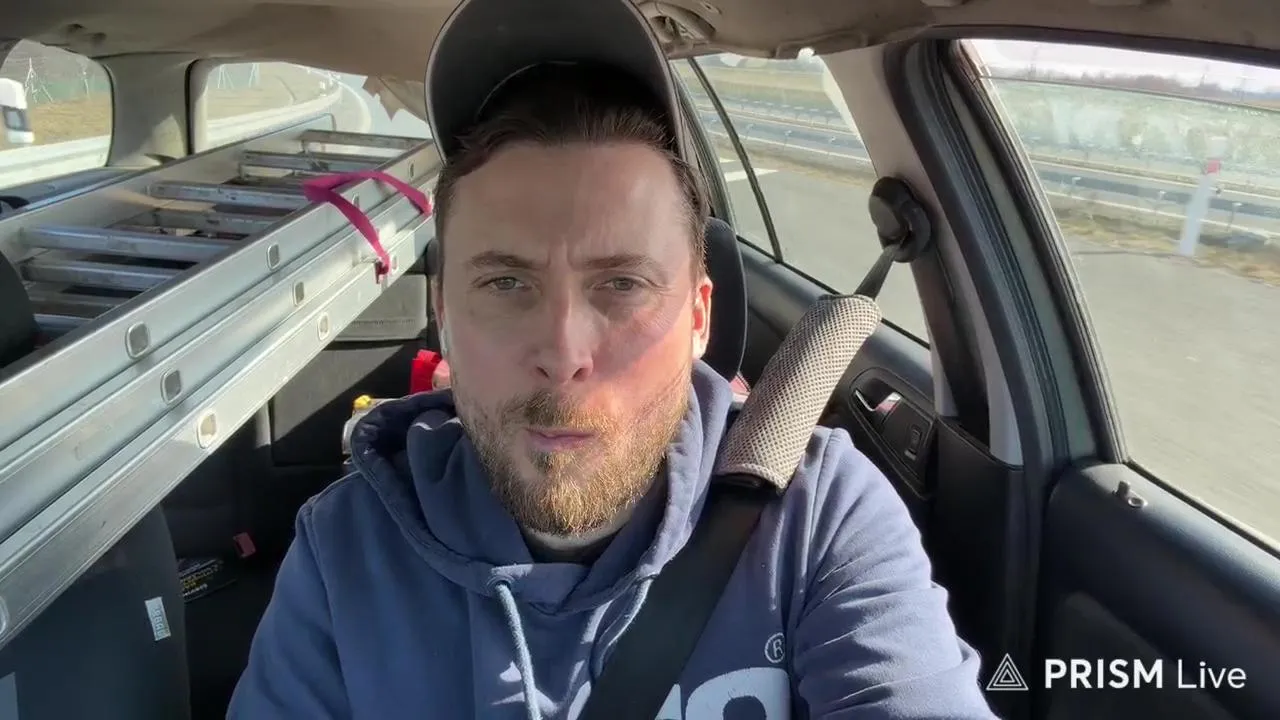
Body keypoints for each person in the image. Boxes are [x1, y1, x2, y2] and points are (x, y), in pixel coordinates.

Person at [227, 0, 999, 716]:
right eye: (506, 283)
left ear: (699, 318)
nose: (564, 354)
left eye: (623, 284)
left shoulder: (817, 516)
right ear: (445, 318)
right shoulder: (347, 552)